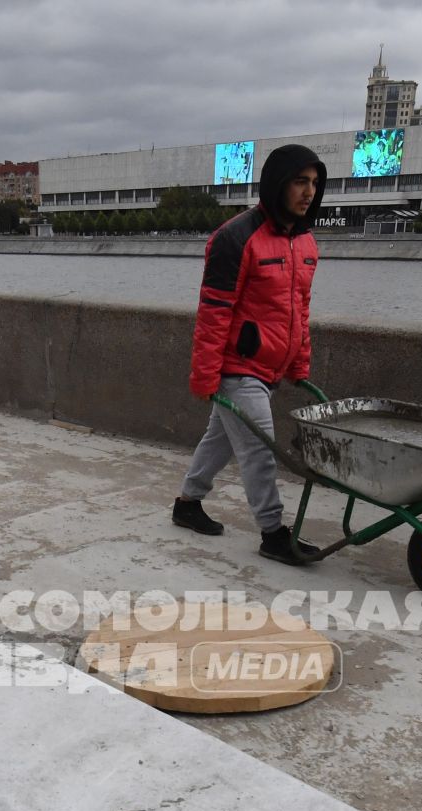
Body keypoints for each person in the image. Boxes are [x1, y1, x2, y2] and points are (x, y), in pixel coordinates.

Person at [174, 144, 327, 566]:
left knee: (220, 440)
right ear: (278, 183)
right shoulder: (236, 238)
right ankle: (273, 533)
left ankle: (187, 503)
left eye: (314, 183)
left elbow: (300, 309)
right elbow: (213, 312)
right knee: (261, 448)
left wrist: (298, 362)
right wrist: (205, 375)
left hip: (270, 367)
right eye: (300, 181)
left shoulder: (307, 243)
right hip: (237, 367)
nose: (309, 191)